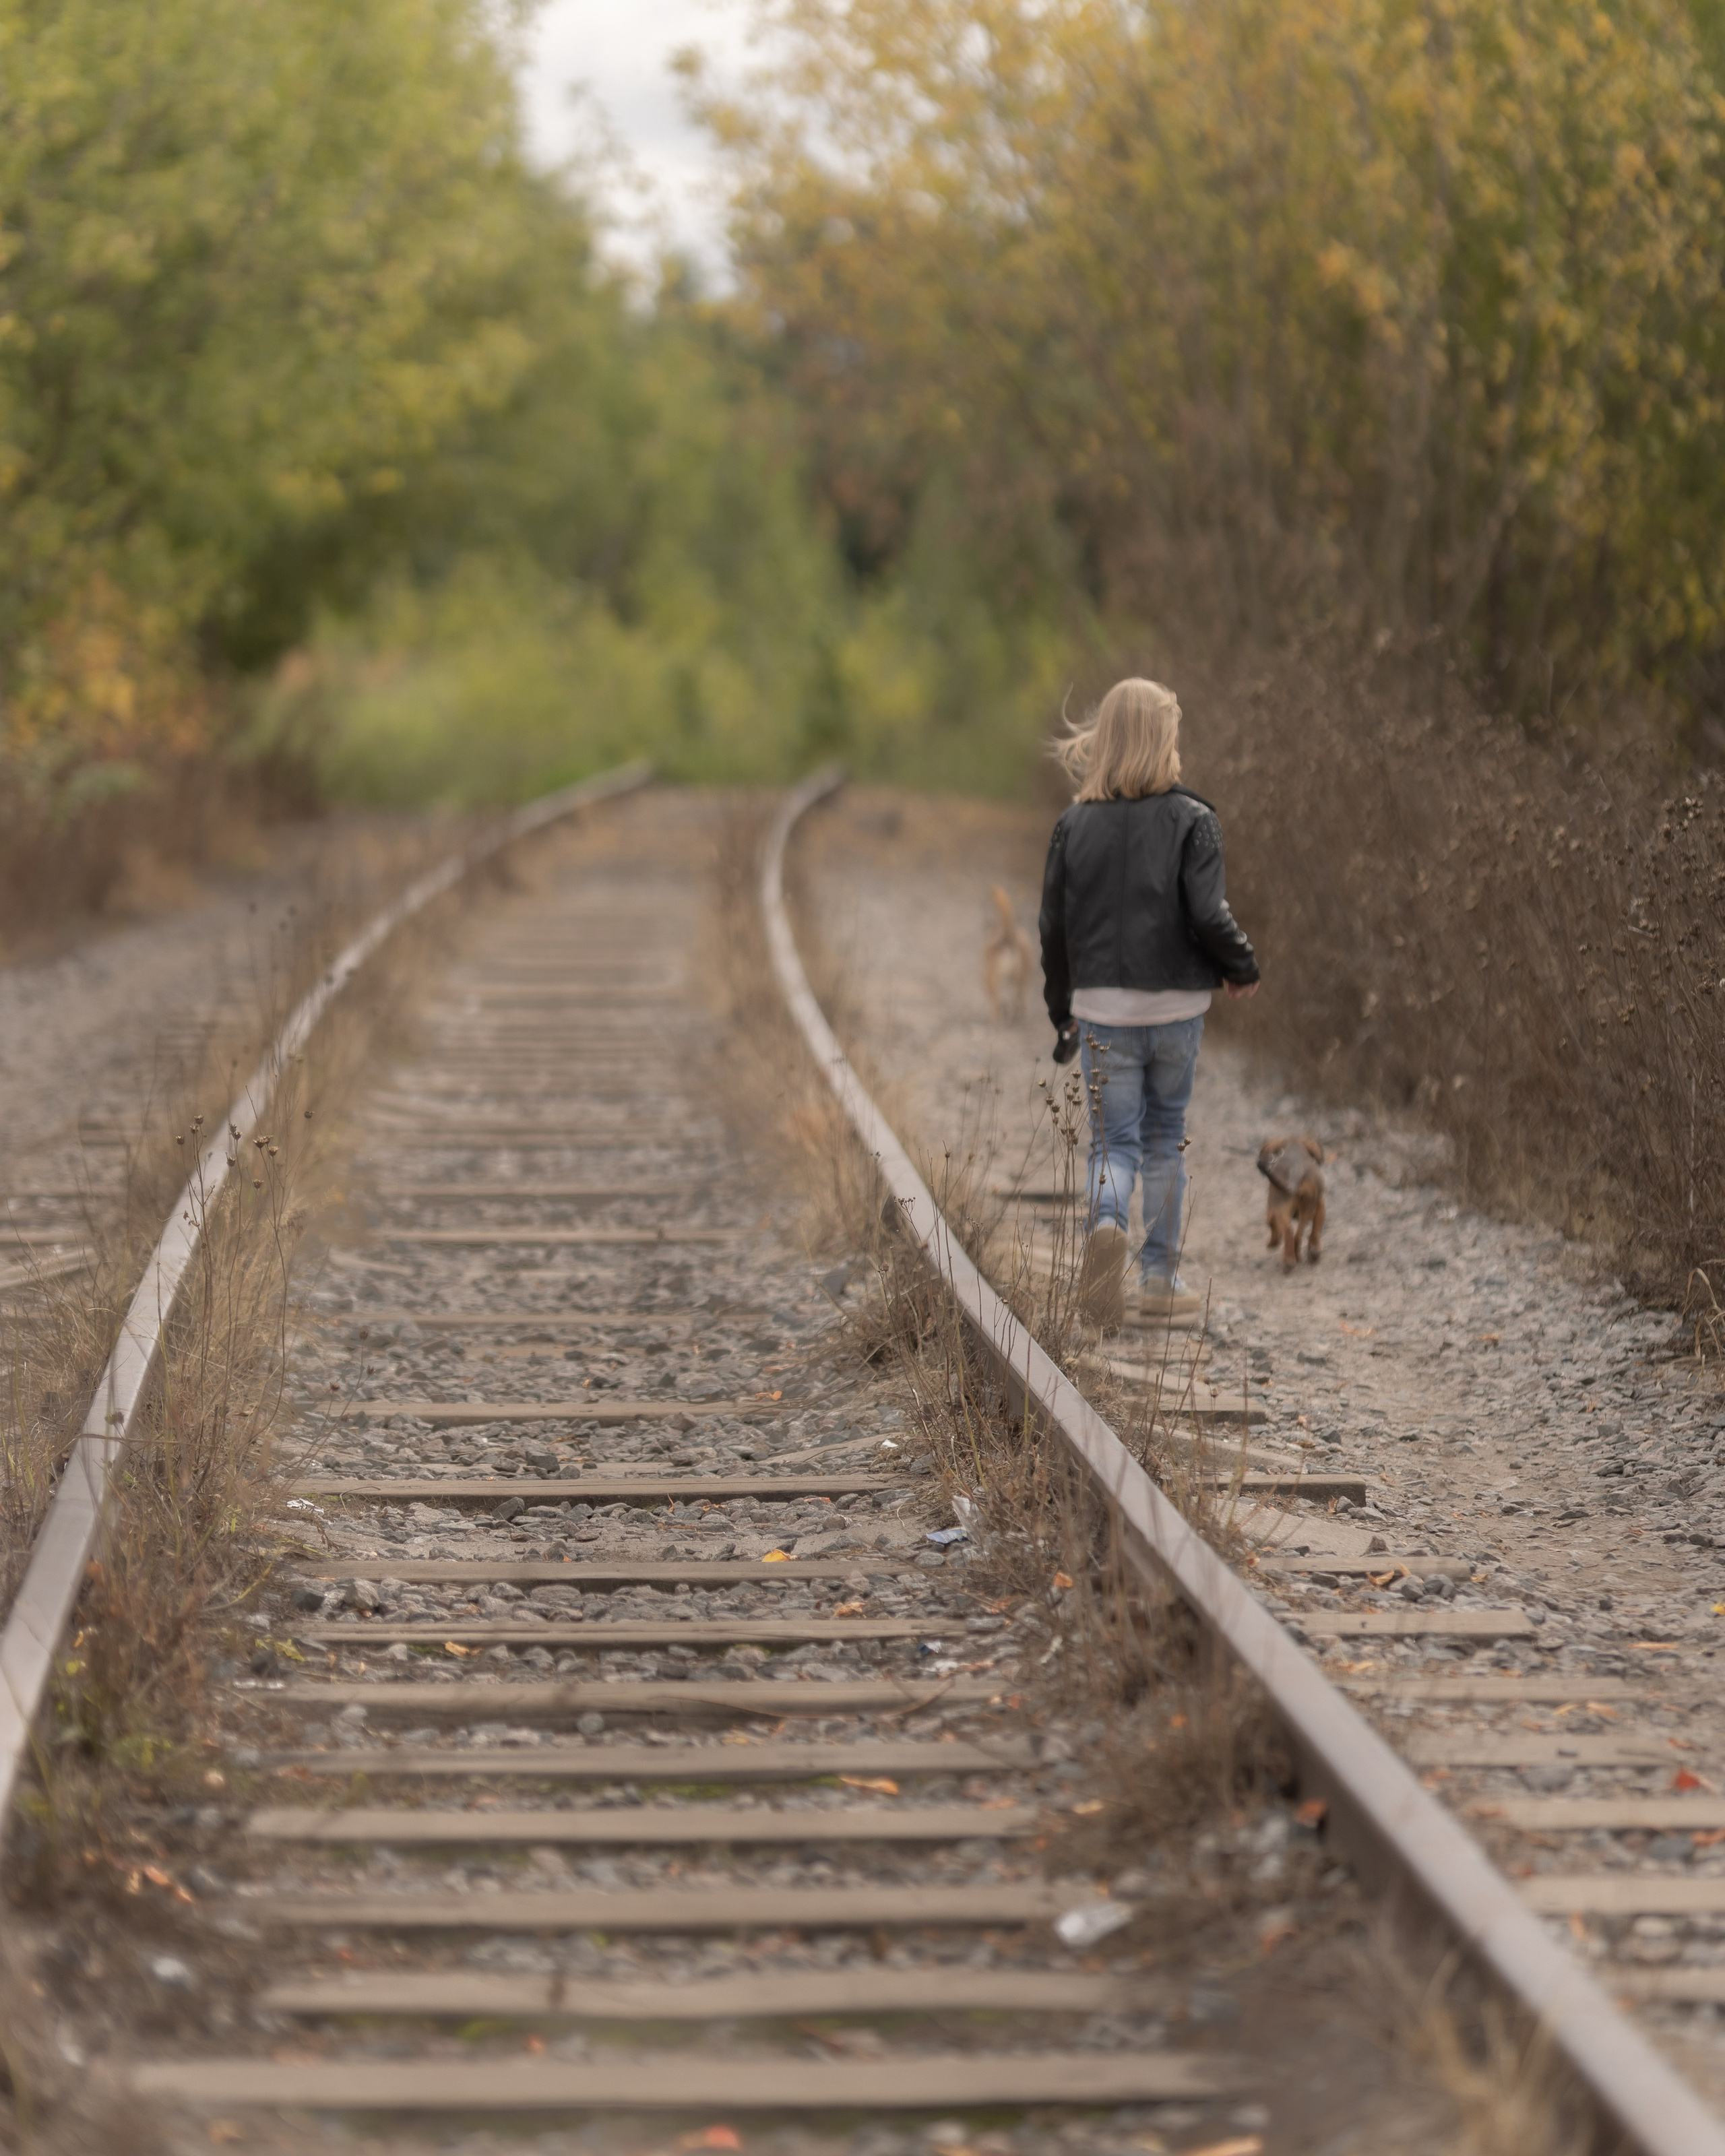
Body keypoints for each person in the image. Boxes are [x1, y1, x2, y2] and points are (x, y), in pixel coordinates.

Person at [1038, 677, 1260, 1327]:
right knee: (1165, 1137)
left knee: (1113, 1142)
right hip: (1175, 1011)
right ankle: (1160, 1279)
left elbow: (1053, 929)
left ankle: (1107, 1225)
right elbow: (1209, 913)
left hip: (1104, 1008)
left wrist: (1063, 1009)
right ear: (1166, 742)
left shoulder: (1072, 826)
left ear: (1102, 742)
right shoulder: (1195, 820)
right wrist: (1241, 967)